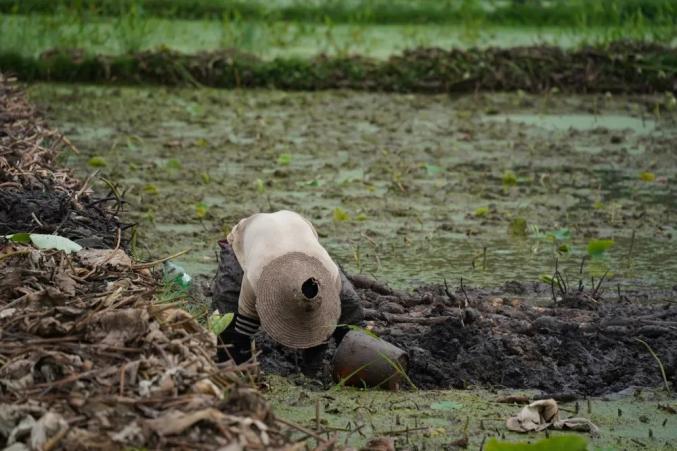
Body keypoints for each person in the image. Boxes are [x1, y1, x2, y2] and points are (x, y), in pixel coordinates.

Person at [211, 210, 364, 376]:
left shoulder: (330, 273)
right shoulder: (257, 277)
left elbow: (327, 320)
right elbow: (245, 322)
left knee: (349, 306)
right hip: (248, 234)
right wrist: (241, 358)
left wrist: (313, 363)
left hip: (297, 224)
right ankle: (231, 366)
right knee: (229, 314)